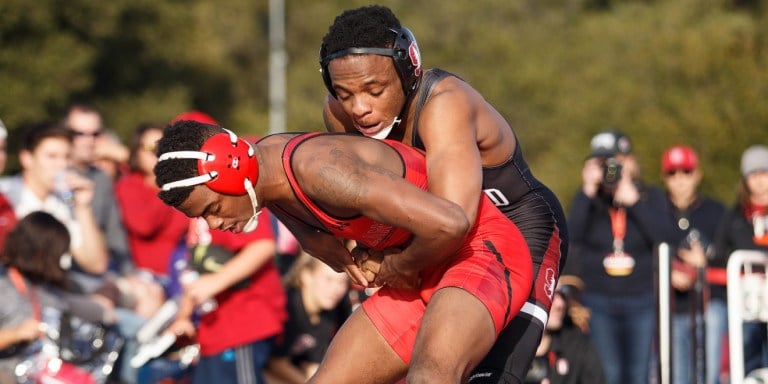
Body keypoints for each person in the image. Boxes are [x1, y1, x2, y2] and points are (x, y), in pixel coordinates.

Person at [153, 120, 533, 383]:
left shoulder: (320, 170)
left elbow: (451, 224)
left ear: (234, 171)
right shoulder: (266, 178)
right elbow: (317, 238)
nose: (213, 226)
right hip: (421, 267)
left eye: (212, 210)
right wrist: (344, 253)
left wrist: (397, 264)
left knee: (430, 376)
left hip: (478, 250)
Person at [319, 6, 568, 382]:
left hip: (517, 227)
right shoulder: (338, 114)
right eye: (345, 93)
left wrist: (396, 265)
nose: (360, 108)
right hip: (432, 241)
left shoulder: (443, 104)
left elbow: (452, 221)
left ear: (408, 70)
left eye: (374, 90)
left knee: (482, 374)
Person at [161, 111, 288, 384]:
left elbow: (262, 246)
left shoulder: (231, 200)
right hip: (214, 330)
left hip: (243, 324)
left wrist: (216, 281)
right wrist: (184, 315)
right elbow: (196, 273)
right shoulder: (198, 214)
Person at [567, 130, 675, 384]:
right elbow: (573, 237)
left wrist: (634, 201)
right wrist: (587, 191)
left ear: (629, 162)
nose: (609, 170)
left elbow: (665, 237)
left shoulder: (649, 196)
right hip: (599, 299)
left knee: (638, 374)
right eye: (601, 164)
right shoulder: (589, 200)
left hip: (641, 297)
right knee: (610, 373)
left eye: (615, 162)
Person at [0, 211, 117, 382]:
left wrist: (100, 311)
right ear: (41, 251)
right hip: (9, 369)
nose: (62, 262)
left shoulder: (44, 285)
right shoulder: (4, 283)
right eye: (59, 255)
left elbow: (69, 306)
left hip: (46, 367)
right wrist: (15, 333)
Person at [0, 121, 109, 279]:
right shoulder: (6, 194)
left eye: (66, 157)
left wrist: (83, 207)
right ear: (27, 159)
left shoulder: (62, 203)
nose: (61, 165)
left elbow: (96, 264)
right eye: (52, 156)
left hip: (54, 286)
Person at [658, 145, 726, 384]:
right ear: (664, 177)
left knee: (709, 375)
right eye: (672, 173)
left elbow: (729, 253)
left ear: (697, 174)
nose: (679, 180)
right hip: (673, 307)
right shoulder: (656, 211)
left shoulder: (716, 211)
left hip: (709, 304)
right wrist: (668, 273)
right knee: (676, 376)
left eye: (686, 172)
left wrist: (706, 261)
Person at [711, 144, 768, 379]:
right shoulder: (733, 217)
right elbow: (719, 256)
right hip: (744, 302)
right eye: (753, 175)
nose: (760, 181)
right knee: (746, 359)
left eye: (764, 174)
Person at [64, 103, 131, 276]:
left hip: (99, 272)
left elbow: (114, 231)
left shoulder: (101, 177)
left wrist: (128, 274)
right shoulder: (55, 175)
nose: (89, 140)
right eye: (79, 134)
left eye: (95, 134)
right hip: (65, 273)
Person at [115, 122, 190, 276]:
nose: (158, 153)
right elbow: (144, 225)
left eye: (164, 147)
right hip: (147, 276)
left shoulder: (184, 184)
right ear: (137, 152)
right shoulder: (129, 185)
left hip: (184, 271)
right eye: (151, 149)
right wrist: (167, 184)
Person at [265, 252, 353, 383]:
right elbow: (276, 363)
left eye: (342, 283)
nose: (336, 289)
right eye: (328, 280)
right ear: (306, 276)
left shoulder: (327, 315)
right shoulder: (289, 306)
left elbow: (314, 364)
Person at [523, 285, 605, 384]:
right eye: (551, 294)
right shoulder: (505, 349)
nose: (560, 304)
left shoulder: (576, 344)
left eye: (563, 296)